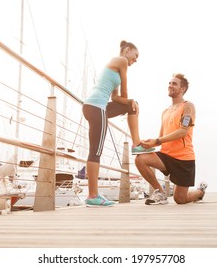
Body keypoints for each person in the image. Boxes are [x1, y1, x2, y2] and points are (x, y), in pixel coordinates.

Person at [82, 40, 154, 207]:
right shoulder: (121, 61)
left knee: (131, 106)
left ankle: (137, 144)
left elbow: (115, 98)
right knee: (95, 152)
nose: (135, 61)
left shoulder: (113, 66)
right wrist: (130, 99)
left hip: (95, 106)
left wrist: (131, 102)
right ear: (127, 50)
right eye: (135, 56)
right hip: (96, 107)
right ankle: (93, 196)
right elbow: (125, 92)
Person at [135, 73, 207, 205]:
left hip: (184, 159)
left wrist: (157, 141)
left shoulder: (188, 106)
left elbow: (183, 131)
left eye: (174, 83)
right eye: (169, 83)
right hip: (166, 156)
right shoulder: (165, 111)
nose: (170, 86)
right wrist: (148, 143)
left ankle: (200, 192)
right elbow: (161, 137)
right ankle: (160, 193)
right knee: (140, 159)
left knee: (180, 199)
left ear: (182, 89)